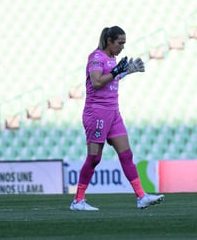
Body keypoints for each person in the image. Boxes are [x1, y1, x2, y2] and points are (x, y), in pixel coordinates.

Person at [70, 26, 165, 211]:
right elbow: (97, 82)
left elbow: (111, 79)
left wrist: (128, 70)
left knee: (126, 155)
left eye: (124, 43)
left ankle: (141, 197)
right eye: (120, 43)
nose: (122, 47)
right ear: (109, 41)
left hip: (113, 113)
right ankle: (78, 200)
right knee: (94, 158)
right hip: (96, 113)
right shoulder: (96, 57)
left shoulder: (111, 58)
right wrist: (115, 72)